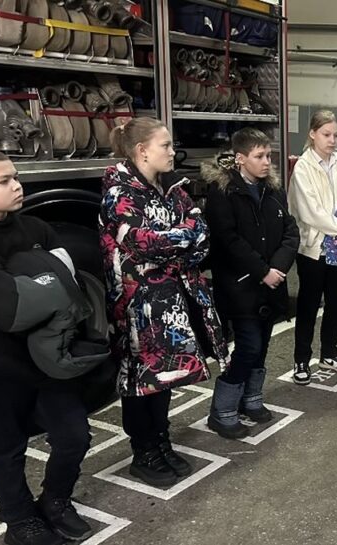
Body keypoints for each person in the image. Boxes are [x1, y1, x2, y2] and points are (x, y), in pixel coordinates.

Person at [0, 146, 92, 545]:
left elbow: (69, 288)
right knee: (7, 448)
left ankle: (56, 500)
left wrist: (13, 293)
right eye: (4, 180)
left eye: (16, 177)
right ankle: (20, 520)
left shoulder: (37, 230)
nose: (17, 186)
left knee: (75, 435)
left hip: (49, 356)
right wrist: (36, 294)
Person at [99, 118, 229, 487]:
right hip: (137, 305)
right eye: (166, 145)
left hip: (172, 300)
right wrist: (179, 239)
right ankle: (144, 451)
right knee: (141, 379)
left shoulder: (171, 188)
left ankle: (161, 440)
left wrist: (175, 242)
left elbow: (201, 236)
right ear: (142, 151)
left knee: (165, 375)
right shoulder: (119, 193)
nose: (173, 152)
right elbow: (143, 243)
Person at [201, 127, 299, 439]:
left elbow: (290, 231)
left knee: (263, 345)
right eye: (259, 156)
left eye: (269, 155)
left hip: (271, 284)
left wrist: (278, 268)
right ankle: (222, 410)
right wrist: (262, 271)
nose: (267, 162)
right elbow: (228, 240)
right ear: (240, 158)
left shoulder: (273, 190)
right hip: (241, 286)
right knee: (249, 345)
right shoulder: (223, 193)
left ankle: (251, 399)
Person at [288, 110, 337, 384]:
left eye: (336, 135)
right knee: (308, 305)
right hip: (314, 249)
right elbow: (311, 212)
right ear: (312, 134)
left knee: (336, 303)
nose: (332, 140)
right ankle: (301, 359)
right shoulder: (303, 168)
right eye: (326, 134)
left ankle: (329, 353)